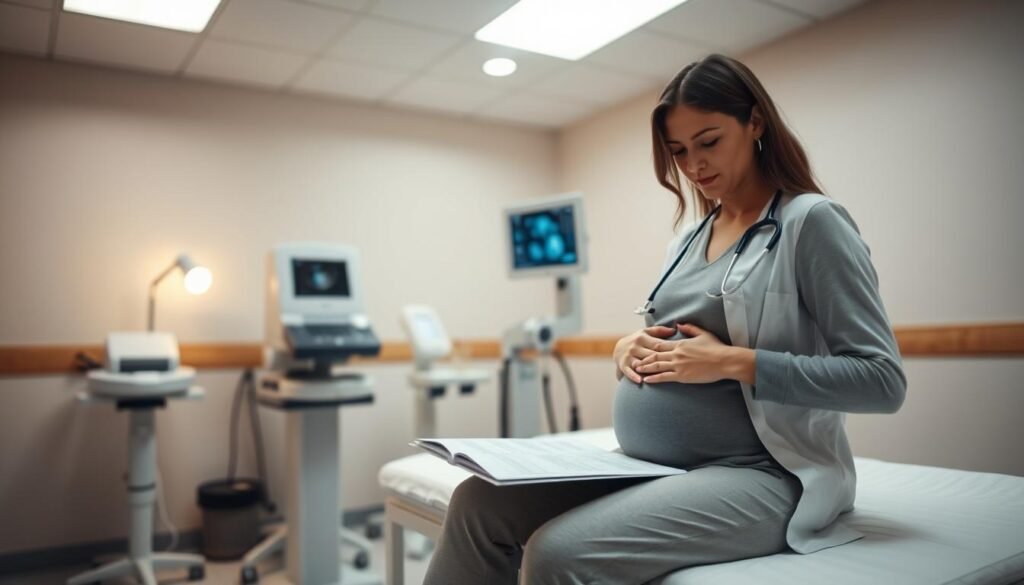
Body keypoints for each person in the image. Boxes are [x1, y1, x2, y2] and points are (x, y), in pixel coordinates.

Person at [422, 53, 906, 585]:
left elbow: (881, 382)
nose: (693, 165)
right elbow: (678, 336)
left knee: (560, 554)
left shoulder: (810, 222)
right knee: (477, 504)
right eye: (678, 151)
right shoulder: (690, 236)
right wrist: (628, 348)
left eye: (709, 141)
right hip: (654, 466)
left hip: (765, 472)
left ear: (755, 122)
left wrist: (733, 362)